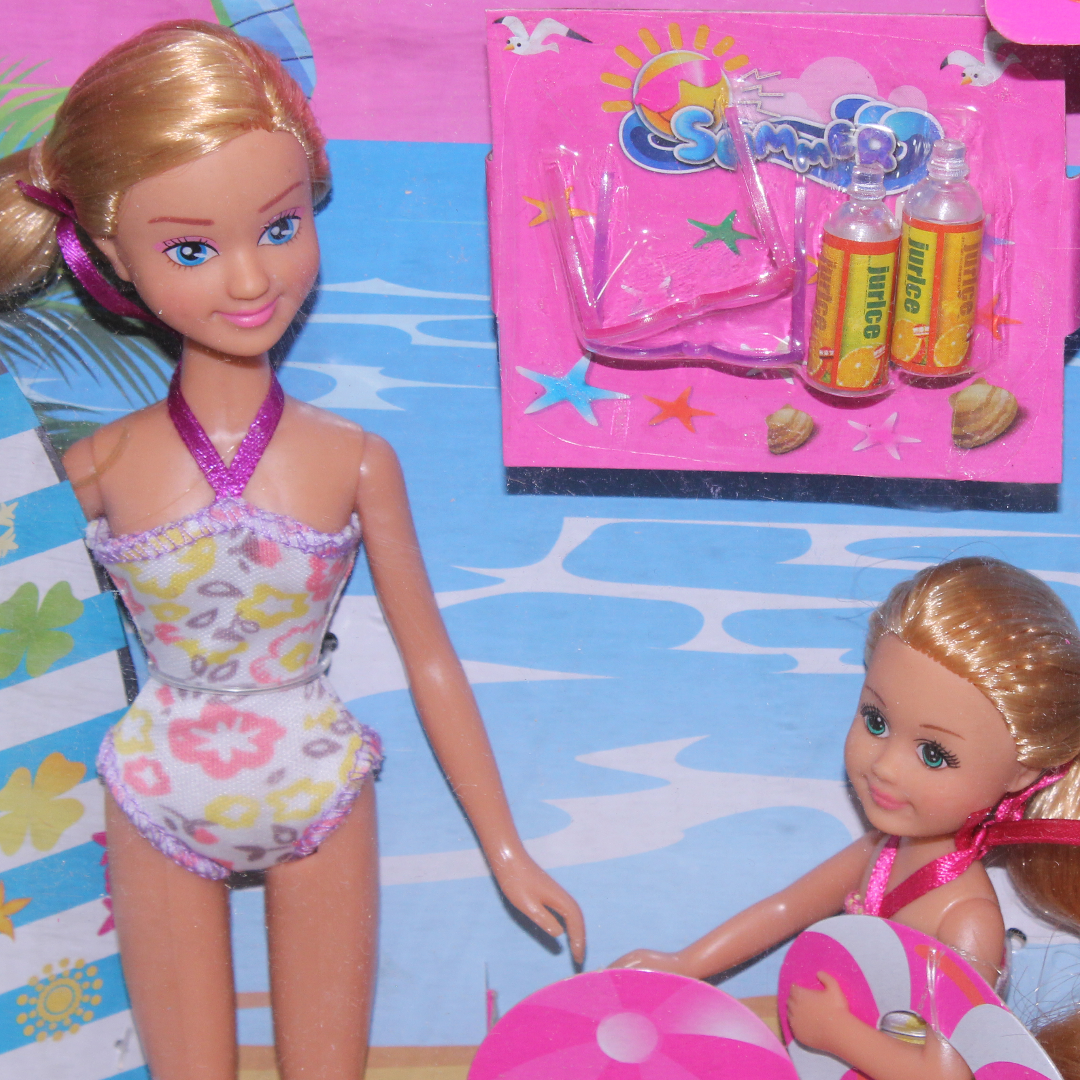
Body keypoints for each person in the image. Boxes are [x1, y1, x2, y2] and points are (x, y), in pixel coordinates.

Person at [0, 21, 584, 1080]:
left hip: (315, 780)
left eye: (279, 227)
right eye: (190, 249)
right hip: (158, 782)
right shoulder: (100, 463)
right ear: (114, 259)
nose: (246, 280)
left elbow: (431, 658)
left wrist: (506, 848)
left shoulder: (353, 458)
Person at [613, 556, 1080, 1080]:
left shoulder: (965, 919)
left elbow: (948, 1073)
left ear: (1021, 773)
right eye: (875, 721)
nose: (884, 766)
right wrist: (684, 964)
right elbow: (786, 907)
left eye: (933, 755)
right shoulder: (881, 852)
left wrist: (838, 1033)